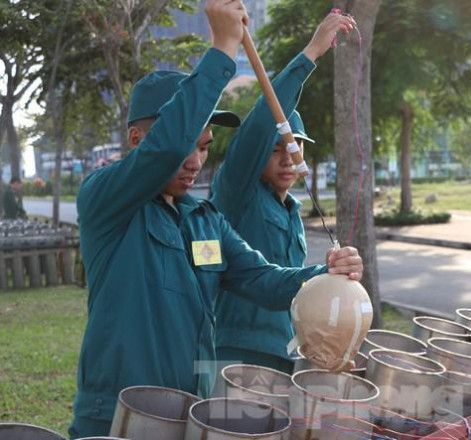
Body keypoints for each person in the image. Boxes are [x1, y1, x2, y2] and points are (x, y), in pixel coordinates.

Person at [69, 2, 362, 437]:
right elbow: (166, 148)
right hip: (115, 416)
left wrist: (327, 273)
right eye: (188, 143)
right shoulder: (108, 202)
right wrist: (224, 48)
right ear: (136, 140)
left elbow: (266, 281)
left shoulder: (205, 224)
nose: (194, 160)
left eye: (205, 146)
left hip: (186, 411)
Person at [209, 12, 356, 373]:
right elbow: (260, 126)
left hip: (285, 352)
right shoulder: (237, 192)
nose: (289, 157)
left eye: (295, 147)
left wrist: (331, 273)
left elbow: (292, 284)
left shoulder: (291, 209)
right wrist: (310, 54)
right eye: (276, 149)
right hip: (237, 353)